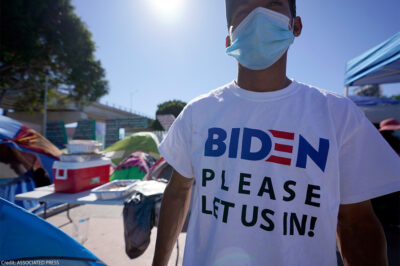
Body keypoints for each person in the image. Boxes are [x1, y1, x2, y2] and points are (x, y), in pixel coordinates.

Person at [152, 1, 400, 265]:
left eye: (272, 4)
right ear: (229, 39)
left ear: (296, 25)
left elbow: (355, 224)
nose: (258, 16)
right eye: (244, 10)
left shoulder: (339, 115)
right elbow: (178, 191)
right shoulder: (197, 112)